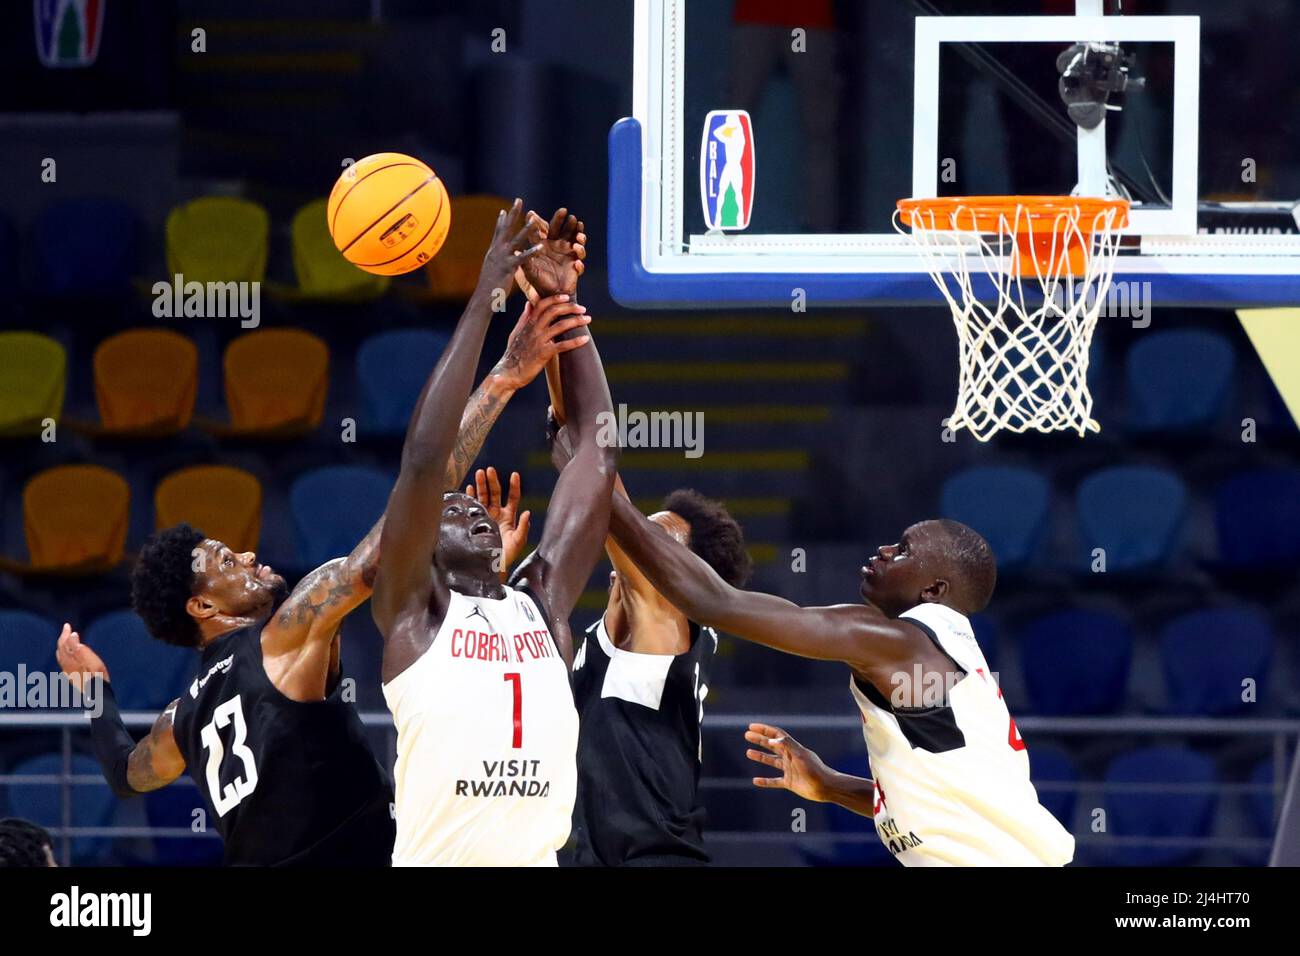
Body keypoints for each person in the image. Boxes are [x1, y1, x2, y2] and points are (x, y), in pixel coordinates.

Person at [53, 272, 581, 866]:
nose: (249, 557)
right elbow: (395, 531)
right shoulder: (282, 637)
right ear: (202, 608)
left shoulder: (184, 719)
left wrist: (96, 689)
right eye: (228, 562)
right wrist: (504, 379)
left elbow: (126, 773)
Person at [605, 509, 1076, 867]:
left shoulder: (899, 643)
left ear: (933, 590)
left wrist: (604, 492)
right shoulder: (946, 655)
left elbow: (714, 602)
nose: (886, 551)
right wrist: (831, 786)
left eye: (904, 550)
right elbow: (951, 805)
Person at [373, 200, 617, 866]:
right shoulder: (412, 613)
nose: (471, 509)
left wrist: (564, 307)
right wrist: (487, 295)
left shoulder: (542, 603)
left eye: (471, 507)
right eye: (450, 511)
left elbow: (597, 452)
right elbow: (425, 462)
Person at [564, 473, 752, 866]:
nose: (642, 541)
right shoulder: (605, 632)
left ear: (683, 579)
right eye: (644, 531)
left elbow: (606, 498)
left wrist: (582, 431)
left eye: (658, 542)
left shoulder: (669, 626)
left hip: (656, 856)